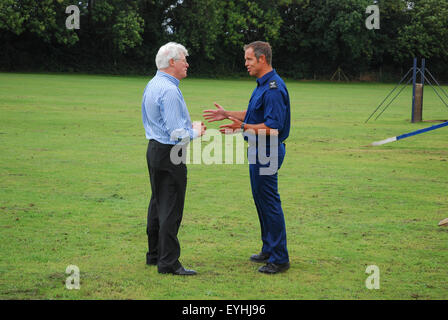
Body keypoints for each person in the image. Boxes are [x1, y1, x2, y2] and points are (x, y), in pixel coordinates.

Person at [203, 41, 291, 274]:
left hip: (268, 151)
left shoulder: (273, 88)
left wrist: (241, 127)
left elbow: (273, 128)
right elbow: (254, 114)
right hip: (258, 150)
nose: (246, 64)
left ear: (262, 59)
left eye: (249, 59)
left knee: (270, 202)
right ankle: (269, 249)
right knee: (261, 201)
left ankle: (280, 258)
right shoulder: (262, 86)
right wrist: (227, 114)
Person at [142, 42, 206, 276]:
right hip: (170, 152)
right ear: (172, 62)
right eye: (184, 60)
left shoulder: (153, 84)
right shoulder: (169, 90)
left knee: (158, 201)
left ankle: (155, 254)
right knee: (171, 206)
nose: (187, 64)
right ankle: (168, 262)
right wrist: (196, 131)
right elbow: (176, 133)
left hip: (154, 149)